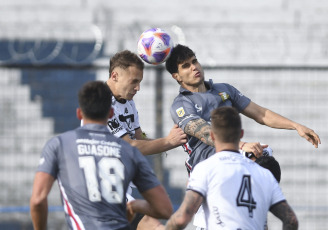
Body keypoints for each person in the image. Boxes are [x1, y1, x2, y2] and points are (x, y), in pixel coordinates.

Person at [30, 81, 173, 230]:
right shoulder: (129, 150)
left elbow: (38, 200)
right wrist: (134, 205)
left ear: (79, 113)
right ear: (111, 113)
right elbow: (164, 209)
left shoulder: (59, 145)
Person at [165, 44, 321, 174]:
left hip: (232, 155)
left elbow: (260, 114)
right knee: (251, 155)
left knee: (265, 155)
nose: (193, 67)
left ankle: (256, 204)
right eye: (186, 66)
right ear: (177, 76)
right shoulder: (181, 104)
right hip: (205, 165)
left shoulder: (224, 89)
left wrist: (296, 126)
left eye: (194, 61)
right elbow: (202, 130)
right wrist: (239, 145)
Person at [164, 107, 299, 230]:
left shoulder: (205, 169)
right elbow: (291, 220)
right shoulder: (264, 173)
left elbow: (182, 218)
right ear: (241, 134)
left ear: (212, 136)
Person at [104, 50, 187, 229]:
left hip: (122, 185)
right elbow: (129, 145)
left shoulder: (128, 102)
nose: (138, 88)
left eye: (140, 82)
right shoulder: (101, 104)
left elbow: (138, 137)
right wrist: (168, 142)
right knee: (151, 224)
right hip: (104, 187)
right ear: (115, 75)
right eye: (134, 81)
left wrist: (166, 140)